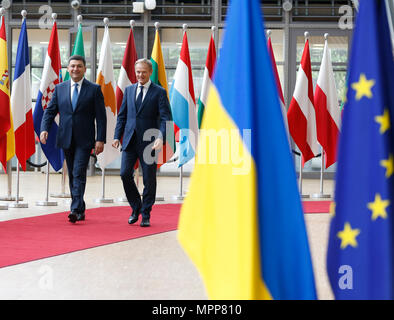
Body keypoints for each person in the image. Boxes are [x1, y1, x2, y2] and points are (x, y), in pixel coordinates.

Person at [40, 55, 107, 223]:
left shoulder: (94, 89)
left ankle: (75, 209)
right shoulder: (60, 88)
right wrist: (44, 129)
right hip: (66, 138)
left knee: (78, 172)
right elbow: (49, 111)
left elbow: (101, 117)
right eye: (72, 66)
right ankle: (80, 207)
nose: (75, 69)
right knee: (72, 174)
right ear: (68, 69)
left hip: (85, 139)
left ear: (84, 69)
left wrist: (100, 139)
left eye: (79, 66)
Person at [112, 58, 172, 227]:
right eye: (138, 72)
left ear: (150, 72)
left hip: (150, 142)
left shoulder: (159, 92)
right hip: (130, 140)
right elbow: (122, 116)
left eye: (143, 72)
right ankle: (136, 207)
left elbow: (166, 118)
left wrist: (161, 137)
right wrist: (117, 136)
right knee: (124, 174)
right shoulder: (129, 90)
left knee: (149, 179)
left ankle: (146, 214)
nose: (140, 75)